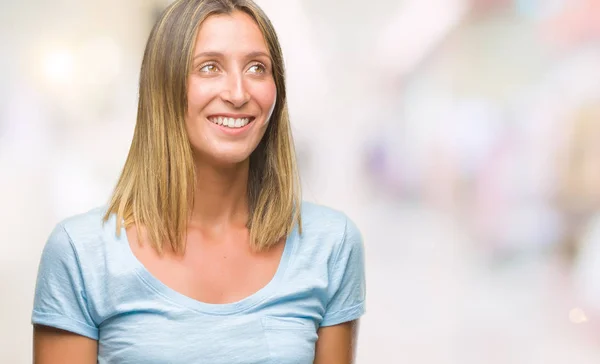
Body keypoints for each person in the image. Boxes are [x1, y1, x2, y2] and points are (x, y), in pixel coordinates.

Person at [31, 0, 366, 363]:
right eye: (210, 67)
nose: (238, 94)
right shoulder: (81, 254)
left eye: (257, 68)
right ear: (165, 86)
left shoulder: (331, 246)